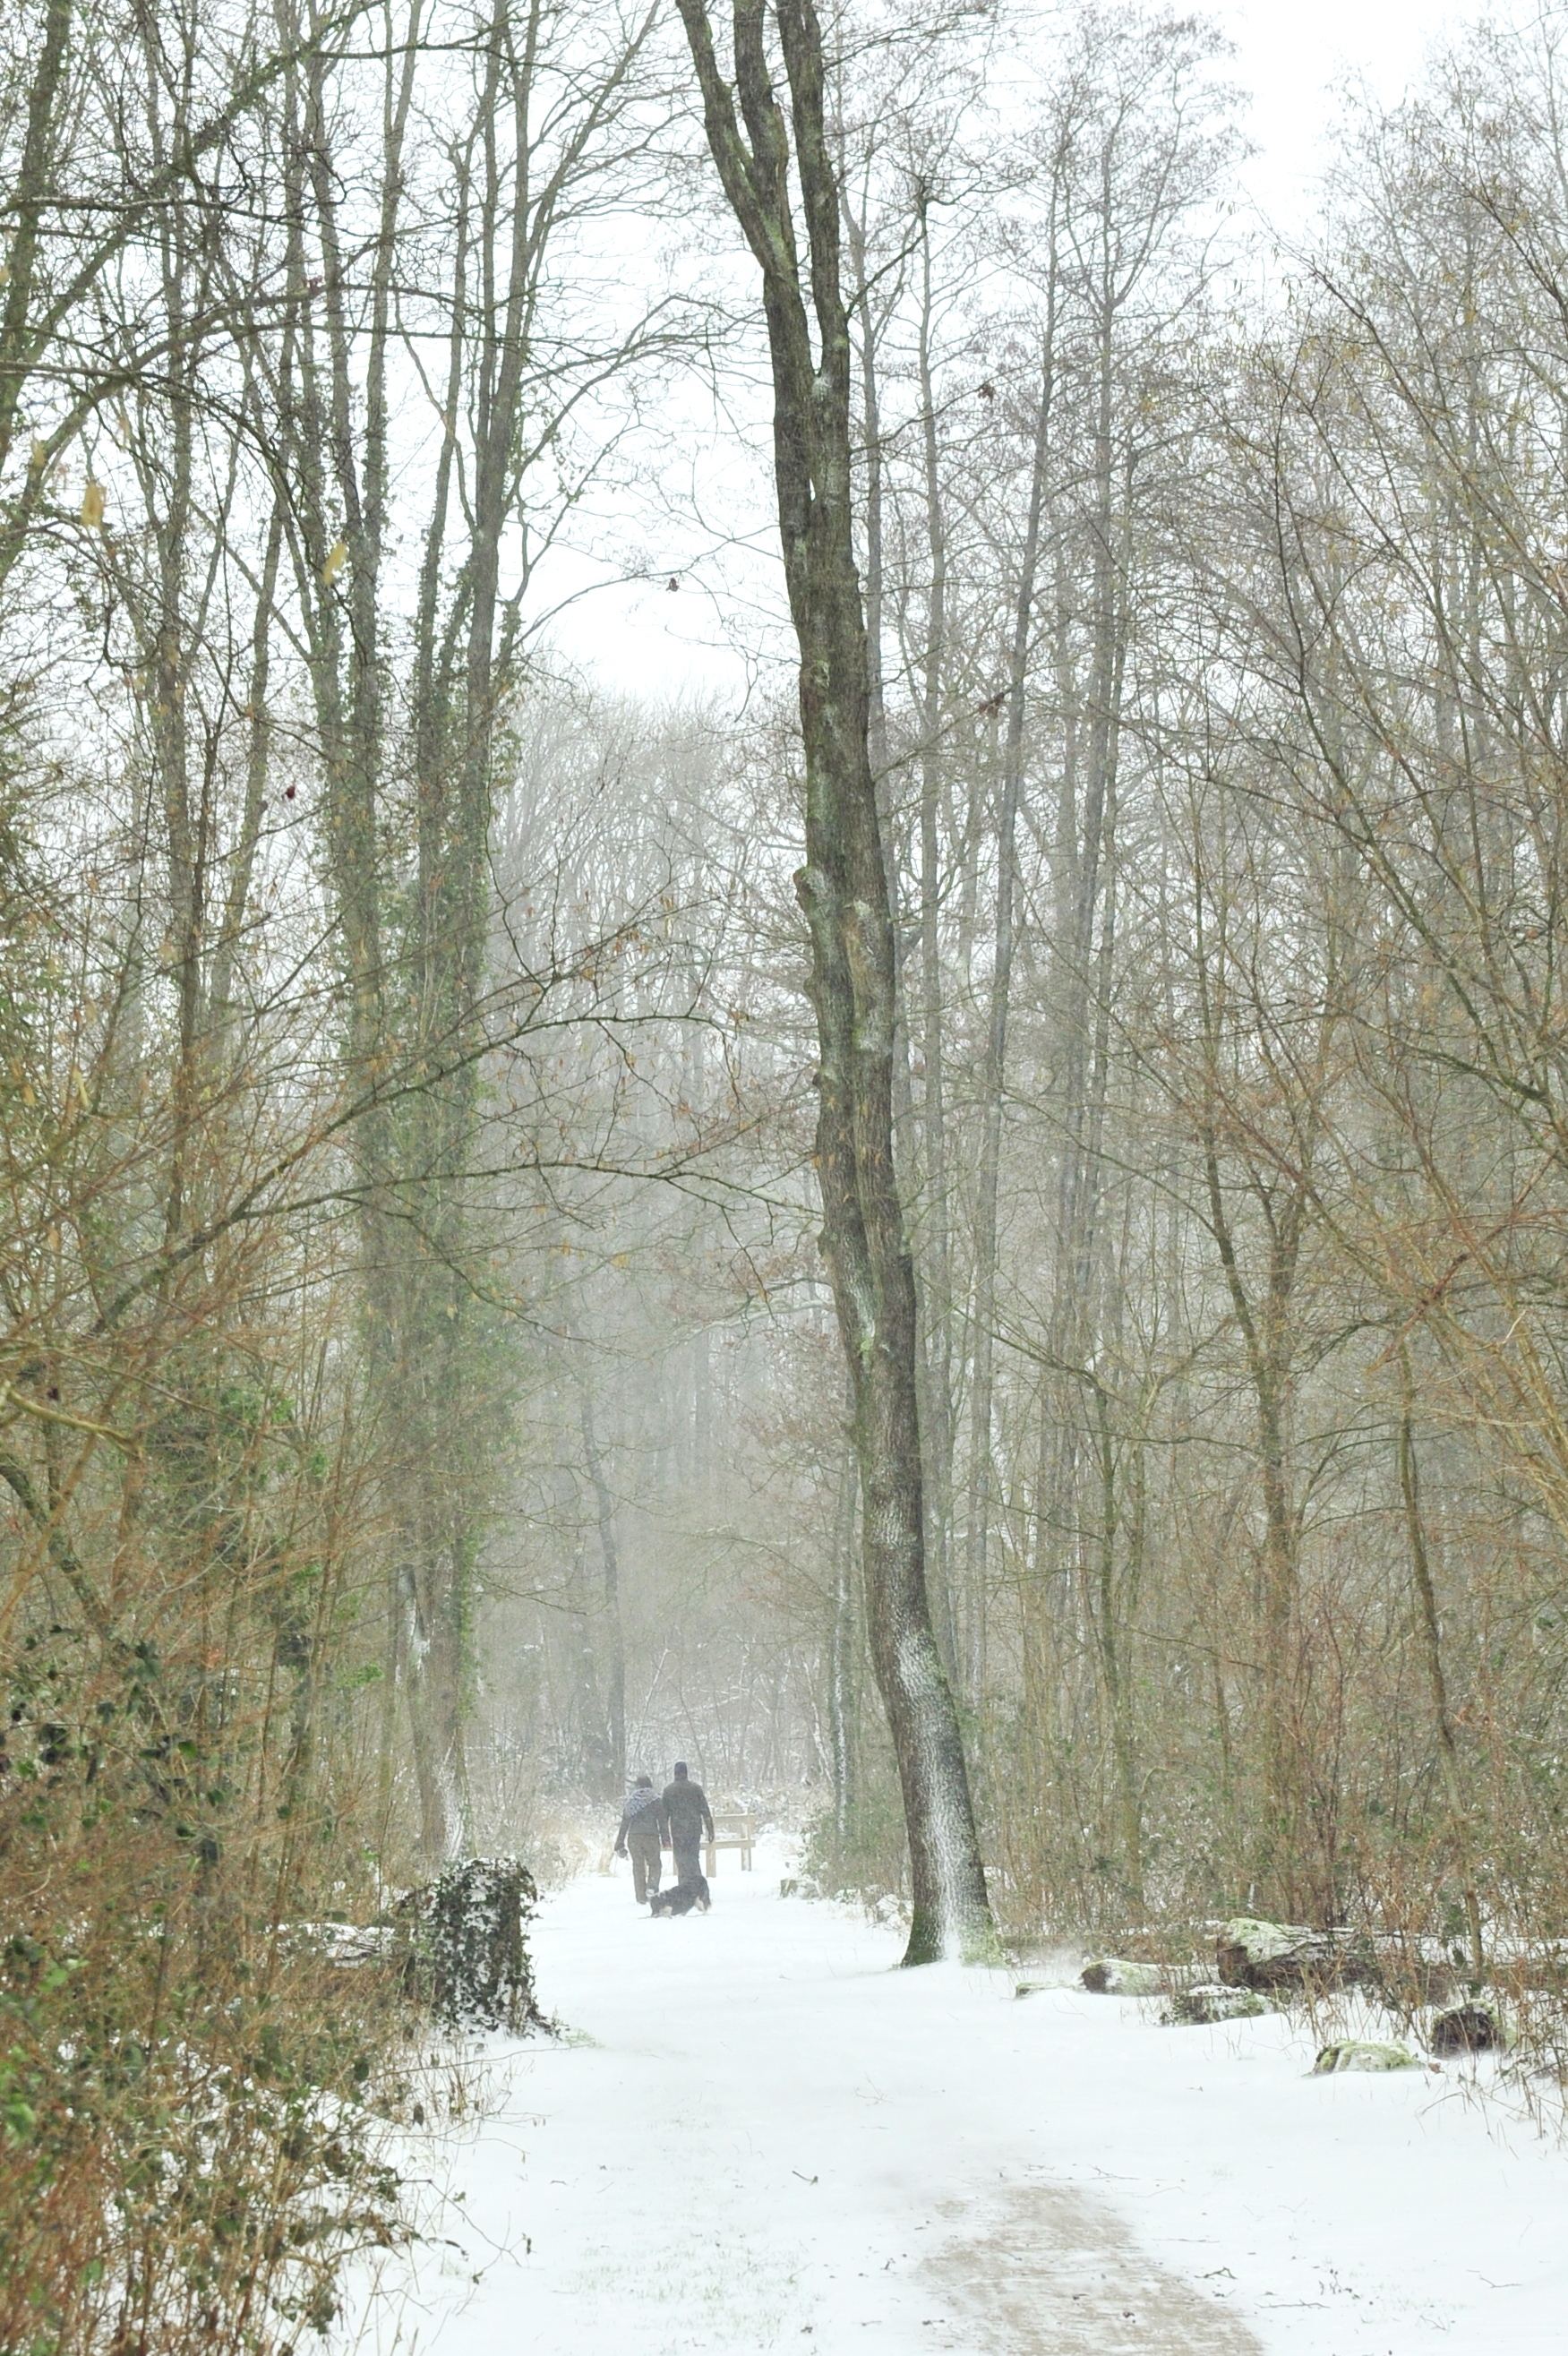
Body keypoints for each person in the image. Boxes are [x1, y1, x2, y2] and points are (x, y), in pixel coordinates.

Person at [613, 1774, 666, 1905]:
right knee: (655, 1864)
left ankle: (641, 1897)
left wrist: (619, 1843)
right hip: (651, 1837)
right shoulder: (655, 1800)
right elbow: (662, 1821)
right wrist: (666, 1838)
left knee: (638, 1866)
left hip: (634, 1838)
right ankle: (652, 1887)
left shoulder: (631, 1801)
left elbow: (625, 1823)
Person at [661, 1761, 715, 1889]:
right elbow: (705, 1811)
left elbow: (664, 1817)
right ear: (686, 1773)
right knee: (693, 1859)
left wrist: (665, 1836)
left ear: (675, 1773)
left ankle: (684, 1888)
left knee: (681, 1861)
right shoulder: (695, 1789)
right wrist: (710, 1830)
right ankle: (698, 1887)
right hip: (694, 1830)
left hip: (678, 1831)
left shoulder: (668, 1791)